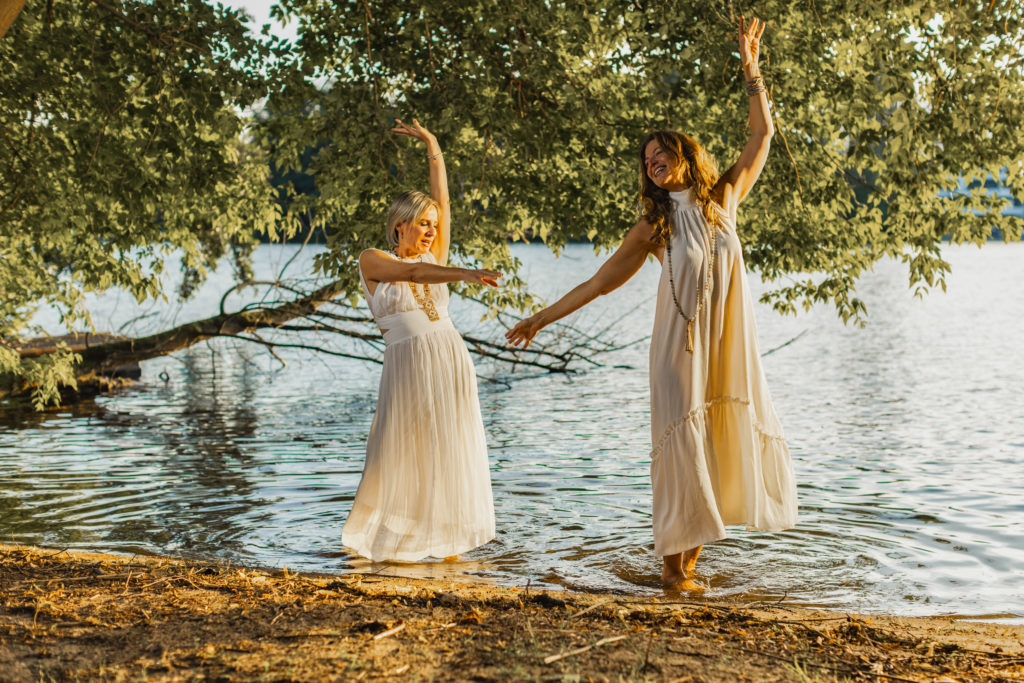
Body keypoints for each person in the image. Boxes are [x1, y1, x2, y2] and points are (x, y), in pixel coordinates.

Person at [506, 17, 797, 590]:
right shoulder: (654, 224)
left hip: (723, 350)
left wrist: (751, 67)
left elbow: (761, 136)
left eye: (659, 153)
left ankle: (685, 571)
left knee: (710, 447)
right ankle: (671, 573)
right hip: (677, 352)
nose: (651, 162)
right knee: (683, 449)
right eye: (646, 159)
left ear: (684, 156)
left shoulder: (725, 199)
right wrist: (540, 317)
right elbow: (599, 283)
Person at [342, 118, 502, 562]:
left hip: (449, 359)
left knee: (447, 450)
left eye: (434, 225)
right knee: (398, 451)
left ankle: (447, 548)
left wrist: (434, 144)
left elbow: (446, 203)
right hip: (408, 364)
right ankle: (384, 546)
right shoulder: (373, 260)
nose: (432, 230)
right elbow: (412, 272)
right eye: (423, 223)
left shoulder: (435, 255)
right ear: (400, 225)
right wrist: (466, 274)